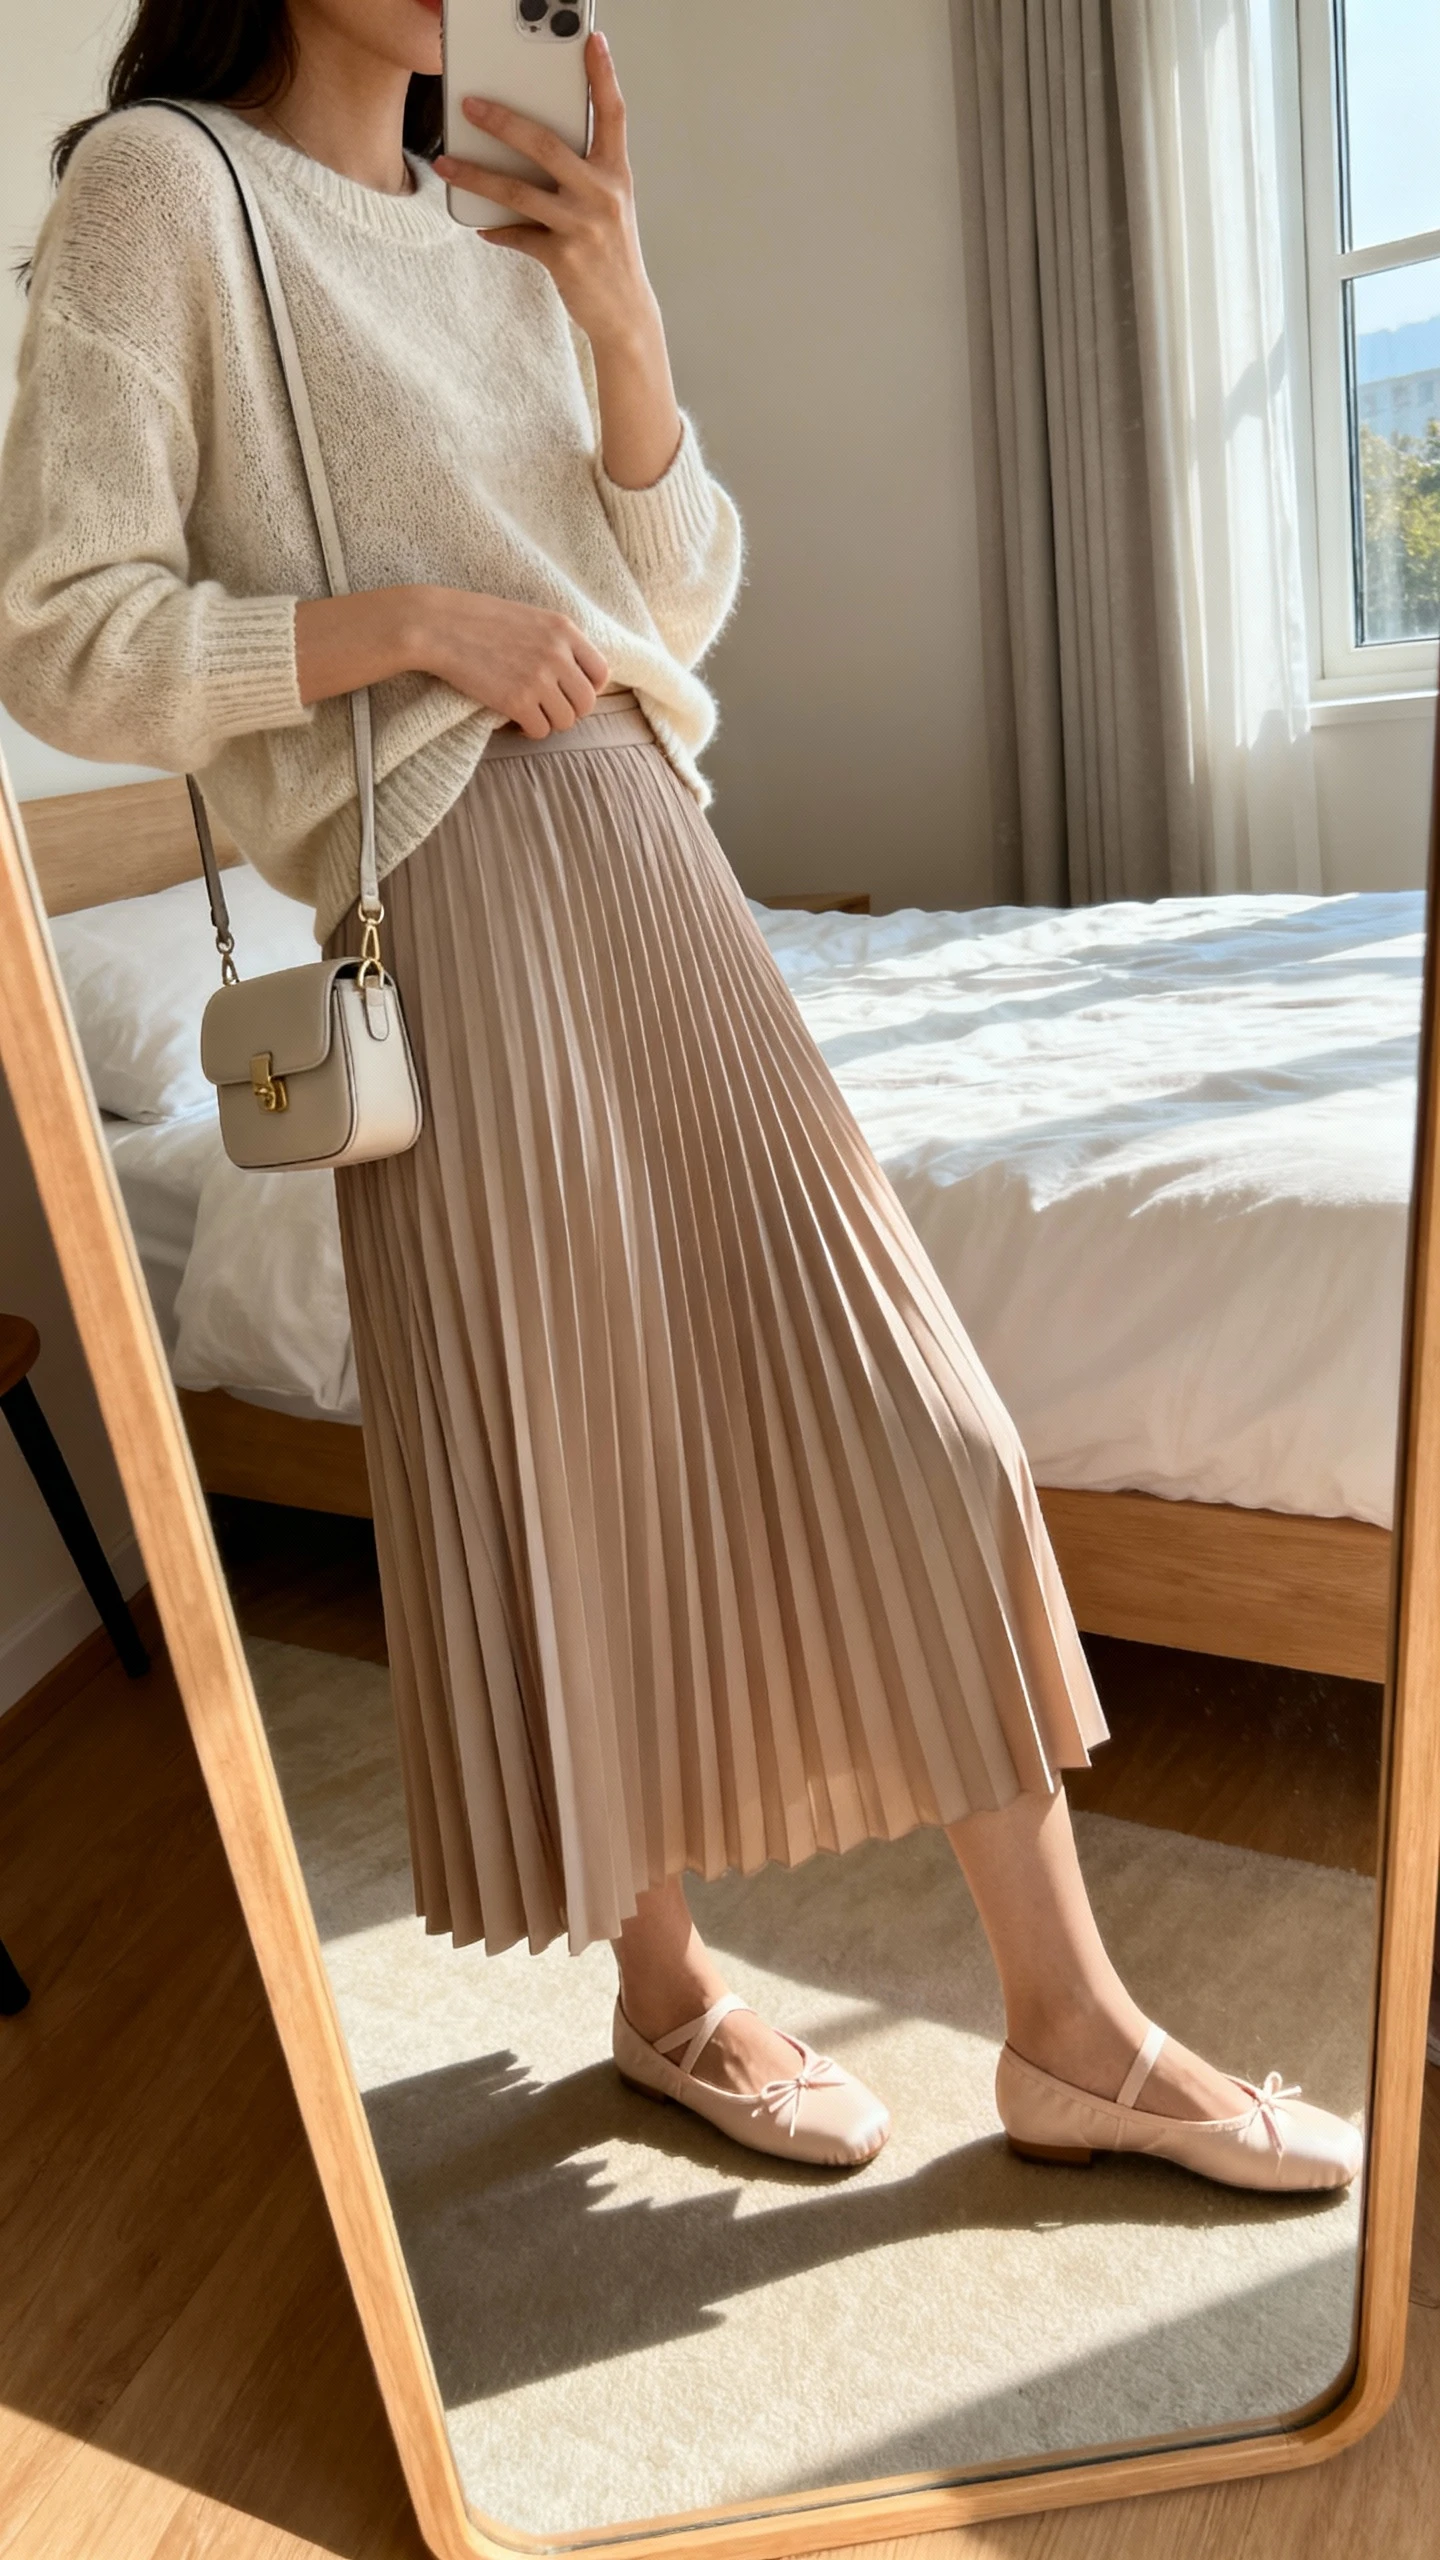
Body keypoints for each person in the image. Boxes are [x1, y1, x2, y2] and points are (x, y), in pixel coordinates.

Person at [0, 0, 1359, 2192]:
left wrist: (625, 324)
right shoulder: (167, 188)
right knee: (575, 1455)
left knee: (923, 1418)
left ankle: (1070, 2027)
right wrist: (412, 624)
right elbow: (65, 632)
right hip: (450, 884)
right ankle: (666, 1992)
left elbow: (673, 593)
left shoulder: (497, 229)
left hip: (657, 847)